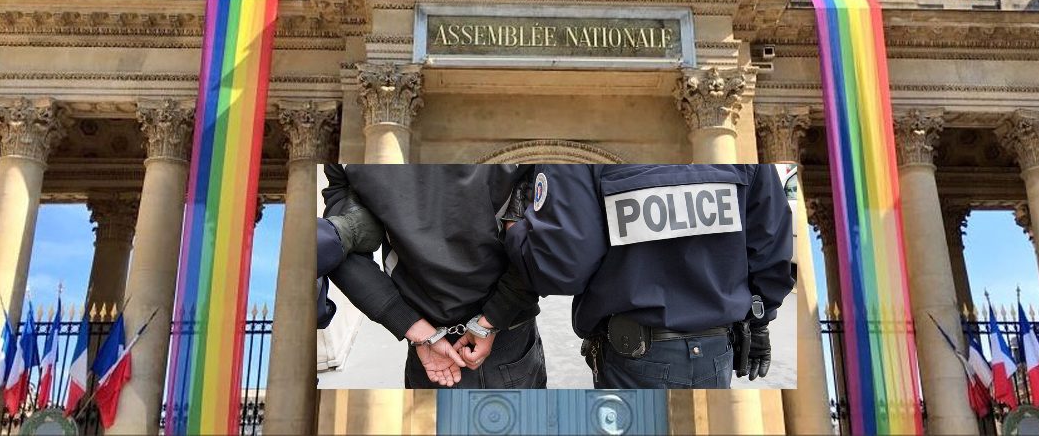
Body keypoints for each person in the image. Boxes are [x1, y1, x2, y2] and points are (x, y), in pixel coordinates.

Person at [503, 164, 794, 389]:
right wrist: (759, 322)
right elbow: (770, 244)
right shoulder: (734, 132)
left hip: (634, 360)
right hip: (716, 353)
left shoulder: (584, 136)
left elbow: (561, 267)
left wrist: (514, 229)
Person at [317, 164, 547, 389]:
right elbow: (542, 231)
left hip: (433, 331)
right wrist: (495, 317)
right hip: (495, 331)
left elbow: (336, 242)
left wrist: (410, 324)